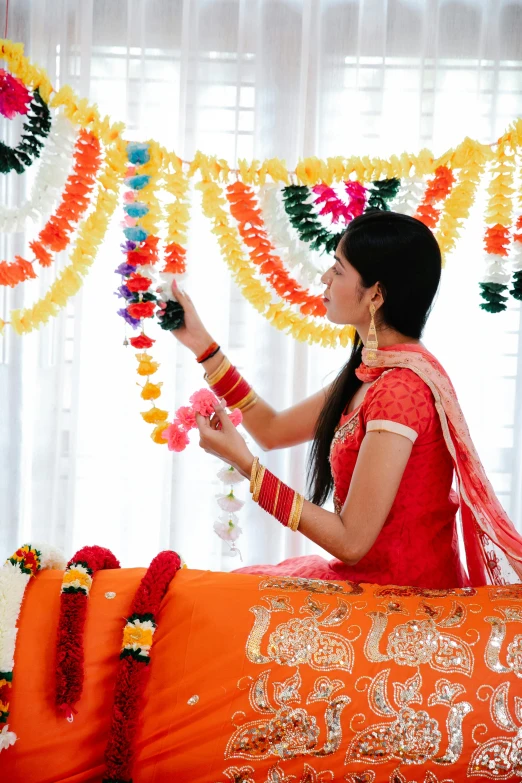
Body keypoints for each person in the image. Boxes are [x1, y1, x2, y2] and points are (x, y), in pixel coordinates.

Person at [159, 210, 522, 587]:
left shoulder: (400, 390)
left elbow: (351, 542)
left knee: (215, 601)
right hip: (365, 581)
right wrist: (202, 345)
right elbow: (271, 429)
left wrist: (246, 467)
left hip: (403, 600)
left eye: (338, 268)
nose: (325, 278)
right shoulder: (370, 371)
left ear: (376, 294)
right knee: (213, 592)